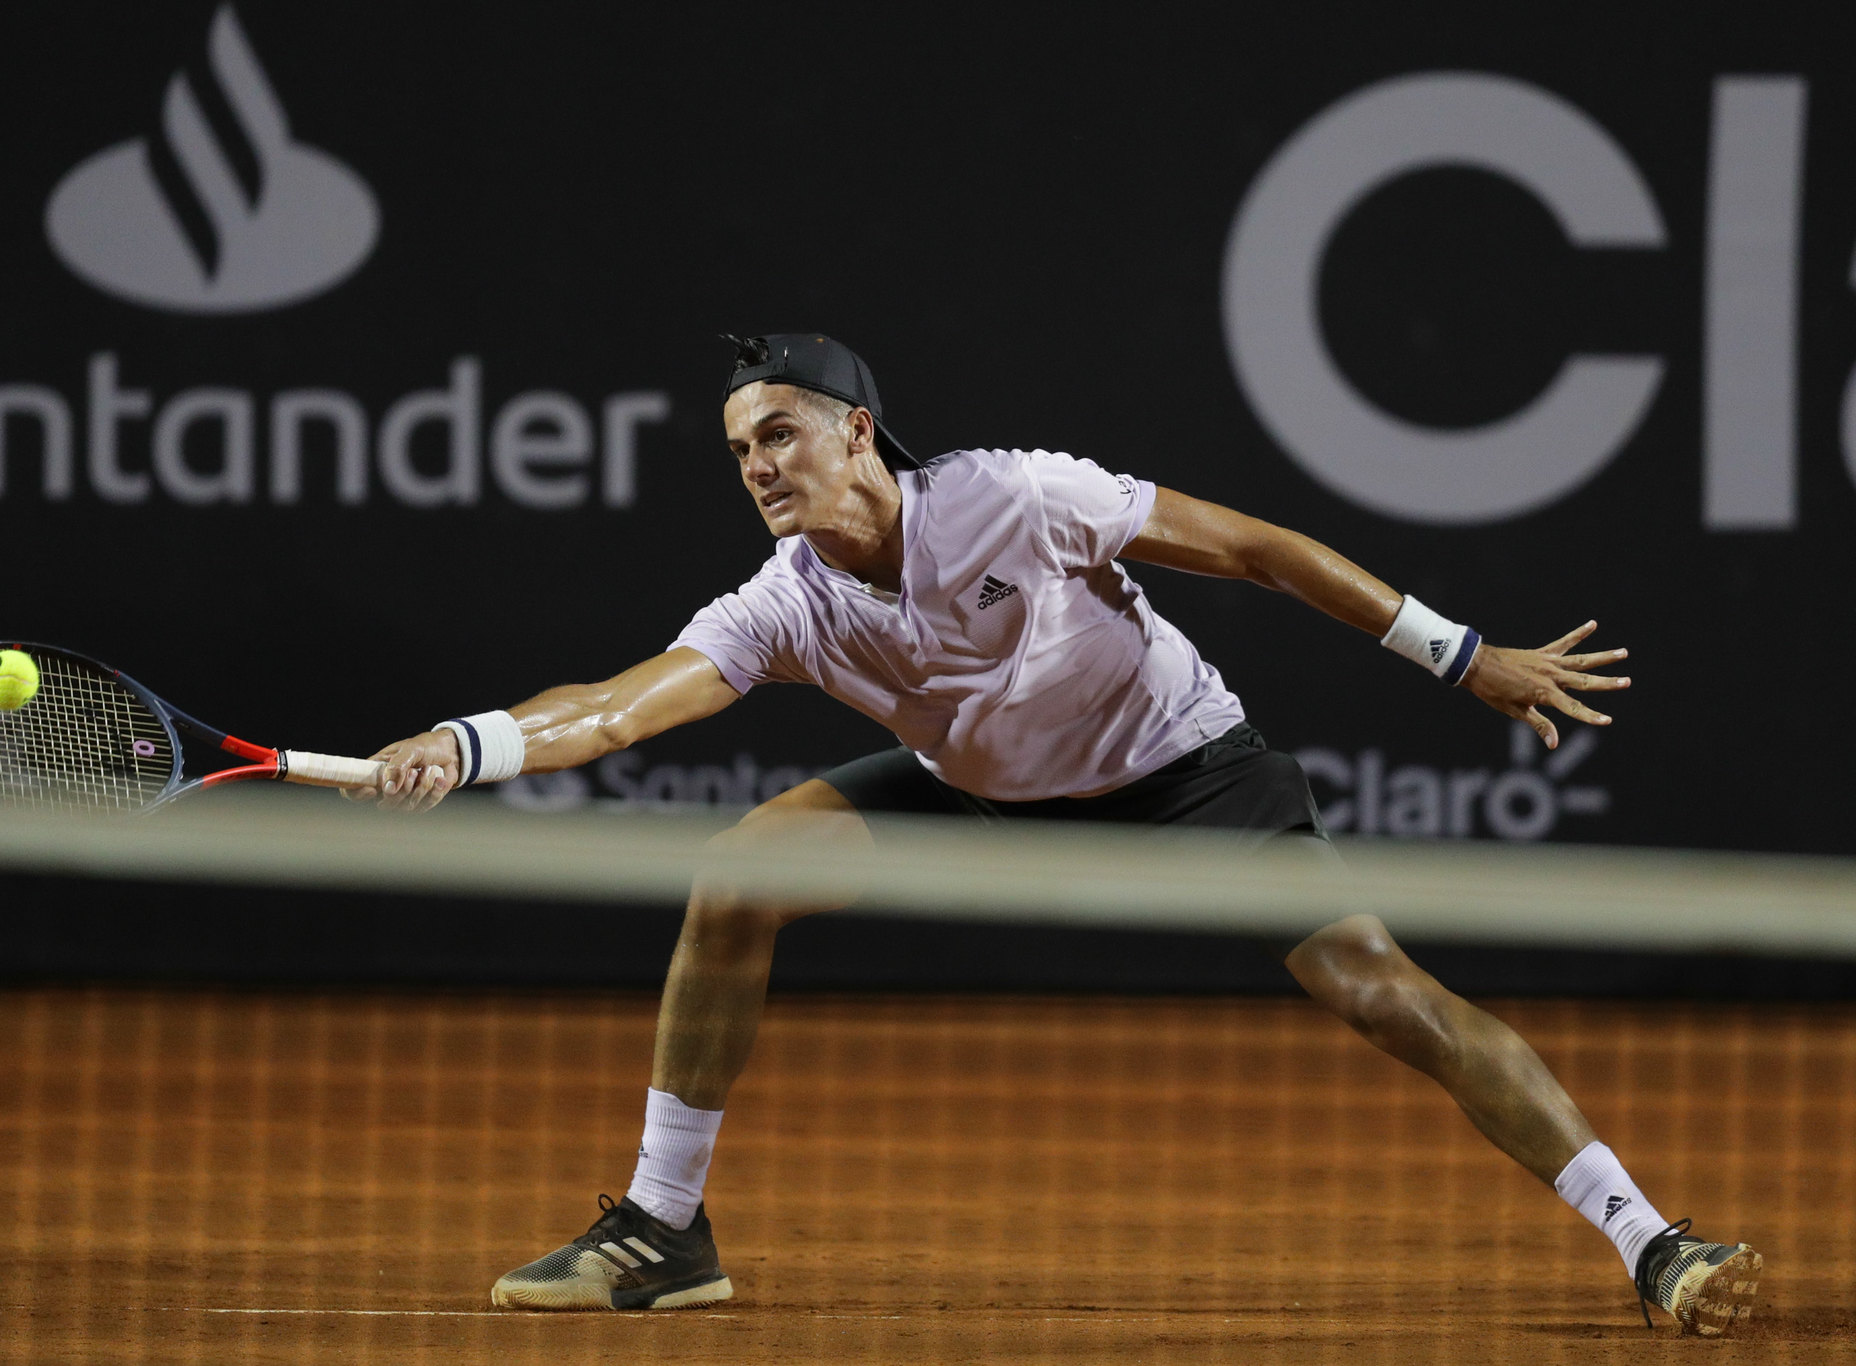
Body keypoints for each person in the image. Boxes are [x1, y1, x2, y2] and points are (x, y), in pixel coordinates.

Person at [362, 334, 1760, 1335]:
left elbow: (1257, 550)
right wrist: (468, 741)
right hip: (983, 790)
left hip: (1186, 772)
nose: (759, 466)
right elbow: (611, 707)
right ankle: (665, 1229)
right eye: (738, 450)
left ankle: (1651, 1239)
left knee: (1386, 993)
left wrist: (1464, 657)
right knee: (741, 875)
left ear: (859, 429)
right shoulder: (784, 600)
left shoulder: (1016, 499)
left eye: (779, 430)